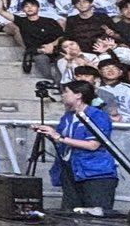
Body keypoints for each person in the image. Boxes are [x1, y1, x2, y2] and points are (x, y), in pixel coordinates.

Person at [35, 79, 120, 214]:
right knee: (70, 214)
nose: (62, 95)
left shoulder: (98, 116)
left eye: (66, 92)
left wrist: (60, 137)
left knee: (95, 215)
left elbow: (93, 145)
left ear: (78, 95)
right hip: (71, 171)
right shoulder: (67, 117)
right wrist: (50, 133)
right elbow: (62, 140)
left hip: (95, 173)